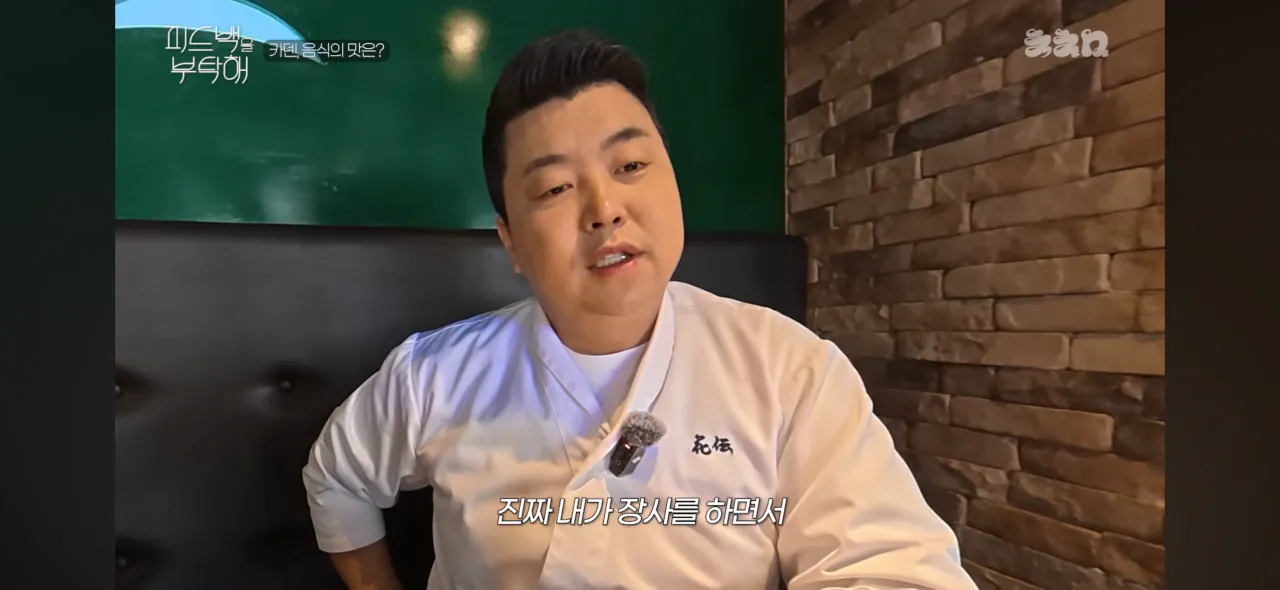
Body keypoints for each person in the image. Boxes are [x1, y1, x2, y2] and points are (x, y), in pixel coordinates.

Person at [302, 29, 979, 590]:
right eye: (556, 187)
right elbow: (336, 478)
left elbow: (892, 566)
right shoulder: (434, 376)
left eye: (629, 167)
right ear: (510, 241)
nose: (605, 209)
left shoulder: (789, 371)